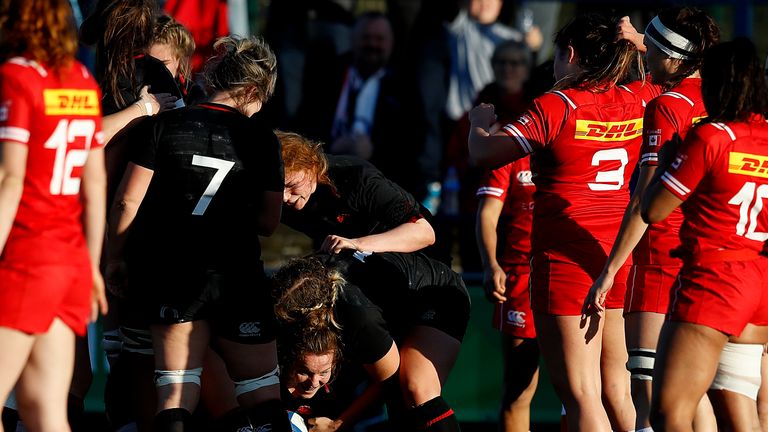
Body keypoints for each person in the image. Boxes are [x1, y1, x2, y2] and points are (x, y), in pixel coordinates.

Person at [469, 13, 644, 431]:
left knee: (581, 395)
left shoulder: (558, 105)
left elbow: (484, 155)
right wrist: (639, 42)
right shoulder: (637, 97)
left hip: (565, 260)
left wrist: (479, 124)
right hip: (615, 256)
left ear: (569, 54)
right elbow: (687, 74)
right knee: (616, 389)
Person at [105, 35, 288, 431]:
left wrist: (115, 257)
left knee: (175, 394)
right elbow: (269, 222)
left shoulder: (164, 125)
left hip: (172, 272)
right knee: (262, 394)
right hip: (236, 274)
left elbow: (126, 203)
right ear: (252, 90)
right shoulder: (260, 139)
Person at [580, 8, 720, 432]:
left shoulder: (667, 106)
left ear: (673, 57)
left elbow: (644, 198)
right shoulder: (724, 98)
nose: (647, 58)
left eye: (653, 50)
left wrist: (609, 272)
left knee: (651, 396)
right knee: (703, 396)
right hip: (714, 256)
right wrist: (642, 38)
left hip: (661, 258)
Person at [642, 37, 768, 432]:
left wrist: (665, 164)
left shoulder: (711, 137)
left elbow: (653, 209)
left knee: (668, 412)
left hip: (713, 279)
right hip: (757, 281)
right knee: (738, 414)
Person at [0, 0, 108, 430]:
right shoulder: (81, 79)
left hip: (28, 258)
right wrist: (91, 265)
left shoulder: (16, 77)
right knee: (43, 408)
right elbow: (95, 183)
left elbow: (11, 180)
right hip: (70, 264)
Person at [272, 249, 470, 431]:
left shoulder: (357, 316)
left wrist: (336, 424)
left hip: (435, 293)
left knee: (415, 390)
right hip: (383, 306)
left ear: (315, 312)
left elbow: (389, 383)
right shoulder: (290, 291)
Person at [470, 39, 538, 432]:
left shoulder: (582, 143)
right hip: (522, 276)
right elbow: (488, 211)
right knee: (519, 388)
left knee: (585, 388)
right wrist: (491, 262)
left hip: (576, 274)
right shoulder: (510, 144)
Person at [295, 11, 426, 198]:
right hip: (324, 171)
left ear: (391, 43)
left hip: (382, 180)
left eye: (379, 39)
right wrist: (329, 146)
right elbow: (305, 122)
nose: (372, 44)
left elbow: (413, 140)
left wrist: (373, 150)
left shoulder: (404, 85)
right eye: (366, 38)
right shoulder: (327, 74)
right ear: (352, 40)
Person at [277, 131, 437, 256]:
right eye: (278, 187)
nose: (284, 196)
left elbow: (424, 232)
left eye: (292, 185)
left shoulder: (357, 179)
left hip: (419, 260)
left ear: (312, 165)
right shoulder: (279, 196)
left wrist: (357, 244)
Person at [80, 0, 179, 145]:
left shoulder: (151, 72)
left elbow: (180, 136)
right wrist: (142, 109)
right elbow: (87, 135)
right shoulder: (87, 70)